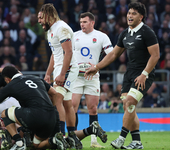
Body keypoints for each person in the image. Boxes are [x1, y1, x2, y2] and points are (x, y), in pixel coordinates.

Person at [0, 66, 108, 150]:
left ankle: (17, 141)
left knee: (6, 114)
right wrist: (50, 109)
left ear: (7, 80)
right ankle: (90, 129)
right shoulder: (36, 78)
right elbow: (55, 94)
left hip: (33, 116)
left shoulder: (11, 85)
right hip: (51, 115)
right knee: (43, 144)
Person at [85, 2, 160, 149]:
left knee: (130, 102)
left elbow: (155, 55)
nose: (130, 16)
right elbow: (113, 54)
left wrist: (144, 74)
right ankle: (137, 142)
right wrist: (97, 67)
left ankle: (121, 138)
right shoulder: (125, 34)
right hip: (129, 74)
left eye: (134, 14)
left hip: (144, 74)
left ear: (141, 17)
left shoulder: (147, 32)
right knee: (128, 108)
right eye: (129, 13)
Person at [38, 3, 81, 148]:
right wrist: (48, 73)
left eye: (40, 17)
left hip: (67, 69)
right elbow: (55, 54)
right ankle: (72, 136)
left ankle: (60, 135)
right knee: (67, 104)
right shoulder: (51, 30)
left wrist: (62, 73)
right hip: (59, 69)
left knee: (57, 98)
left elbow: (68, 52)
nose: (39, 21)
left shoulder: (61, 28)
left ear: (48, 15)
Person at [72, 12, 112, 148]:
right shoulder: (74, 36)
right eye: (81, 22)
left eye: (84, 22)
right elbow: (67, 54)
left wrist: (97, 66)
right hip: (76, 77)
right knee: (72, 108)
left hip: (92, 76)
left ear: (92, 23)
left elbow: (111, 55)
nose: (81, 24)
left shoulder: (101, 37)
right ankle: (73, 138)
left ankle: (94, 141)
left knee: (93, 109)